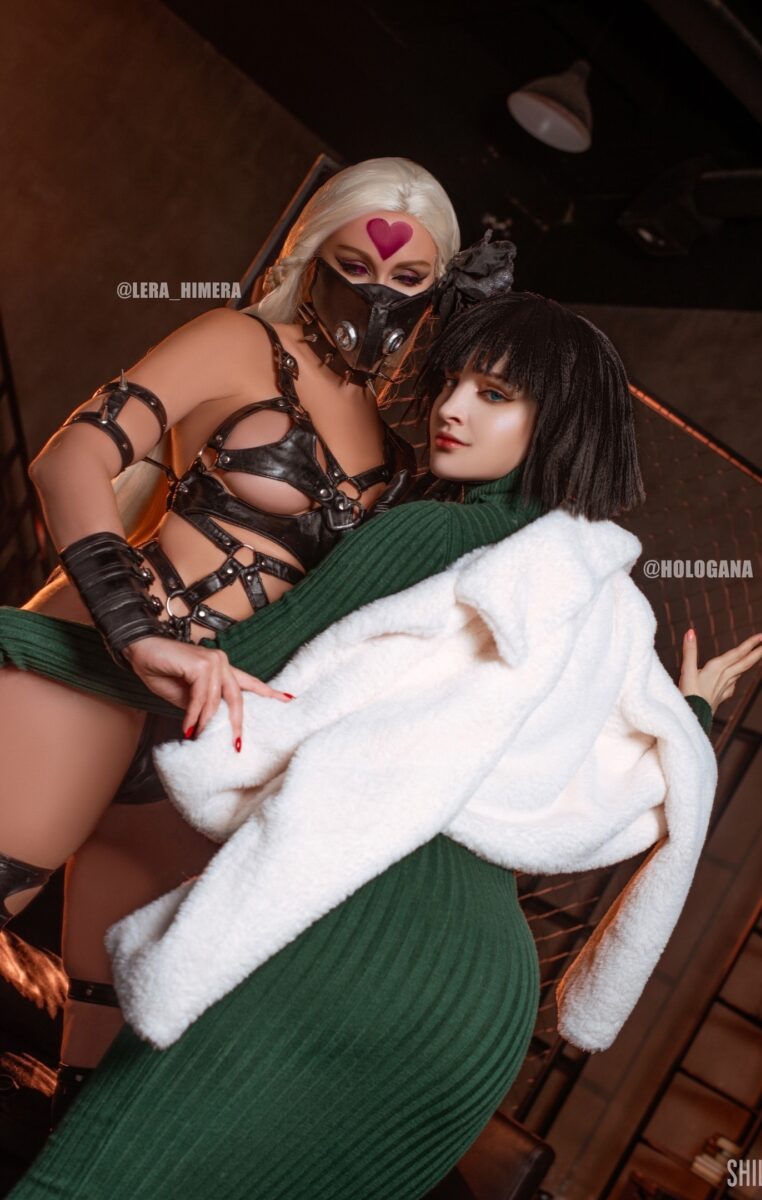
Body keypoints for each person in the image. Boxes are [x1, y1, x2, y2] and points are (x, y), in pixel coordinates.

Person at [3, 292, 762, 1200]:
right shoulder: (605, 601)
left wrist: (32, 636)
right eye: (452, 382)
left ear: (556, 420)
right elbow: (617, 792)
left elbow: (237, 681)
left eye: (494, 394)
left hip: (359, 932)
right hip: (484, 1008)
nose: (452, 407)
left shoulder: (434, 534)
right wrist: (690, 709)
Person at [0, 155, 518, 1115]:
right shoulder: (236, 340)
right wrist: (136, 632)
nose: (378, 292)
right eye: (355, 265)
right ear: (311, 254)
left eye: (409, 277)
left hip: (205, 733)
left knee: (112, 1048)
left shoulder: (403, 452)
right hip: (97, 661)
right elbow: (69, 459)